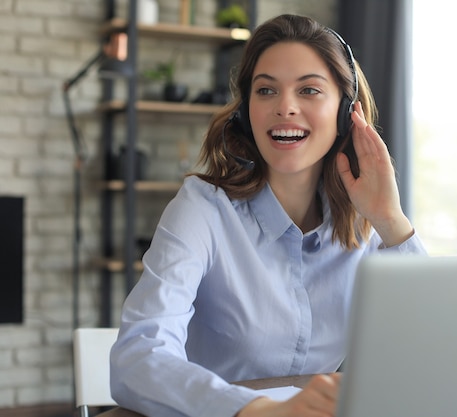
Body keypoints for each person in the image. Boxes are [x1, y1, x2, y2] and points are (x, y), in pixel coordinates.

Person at [110, 13, 427, 417]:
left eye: (309, 90)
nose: (285, 108)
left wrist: (391, 220)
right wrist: (256, 410)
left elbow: (430, 350)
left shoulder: (366, 222)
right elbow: (137, 357)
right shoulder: (203, 209)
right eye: (266, 91)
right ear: (247, 111)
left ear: (348, 112)